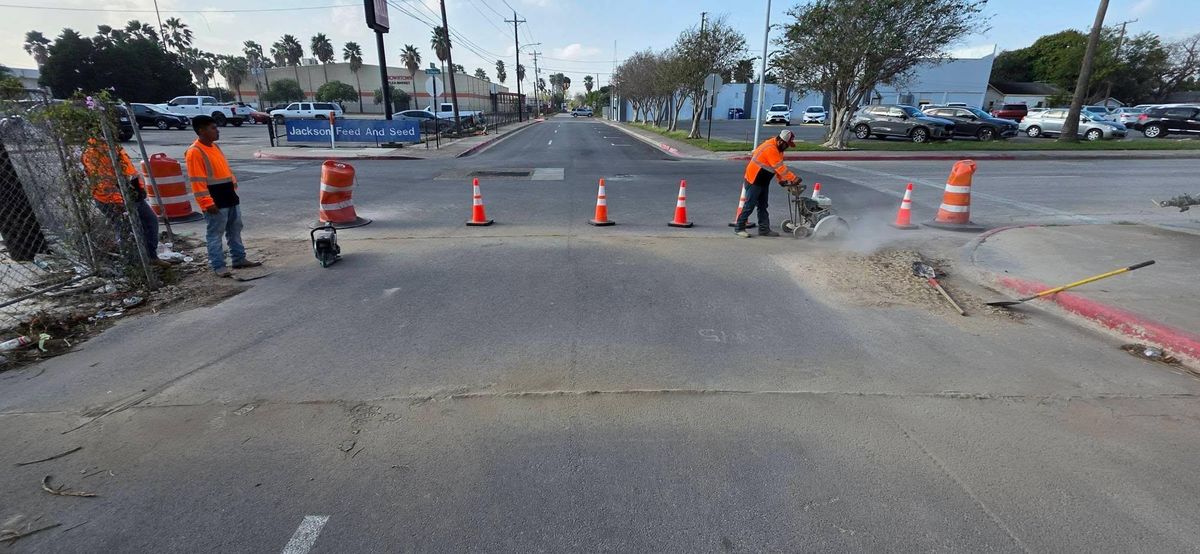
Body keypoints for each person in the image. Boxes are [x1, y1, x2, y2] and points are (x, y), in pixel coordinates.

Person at [185, 115, 261, 277]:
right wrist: (206, 203)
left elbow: (225, 170)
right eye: (213, 128)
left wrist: (233, 186)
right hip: (214, 199)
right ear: (201, 131)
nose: (217, 131)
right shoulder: (195, 152)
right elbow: (197, 182)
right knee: (215, 233)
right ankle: (218, 265)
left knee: (235, 229)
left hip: (229, 195)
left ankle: (239, 258)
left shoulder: (215, 148)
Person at [81, 137, 170, 267]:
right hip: (114, 200)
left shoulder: (113, 146)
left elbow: (129, 171)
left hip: (130, 195)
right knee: (125, 230)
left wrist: (139, 189)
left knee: (150, 221)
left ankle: (150, 257)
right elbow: (105, 182)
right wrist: (119, 202)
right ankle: (134, 264)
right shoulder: (94, 152)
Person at [736, 129, 800, 238]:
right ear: (781, 141)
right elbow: (779, 167)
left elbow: (777, 166)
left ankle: (764, 229)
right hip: (754, 179)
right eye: (787, 144)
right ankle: (739, 228)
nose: (787, 147)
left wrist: (781, 180)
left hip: (763, 180)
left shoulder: (778, 149)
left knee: (763, 206)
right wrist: (793, 178)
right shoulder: (771, 148)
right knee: (749, 205)